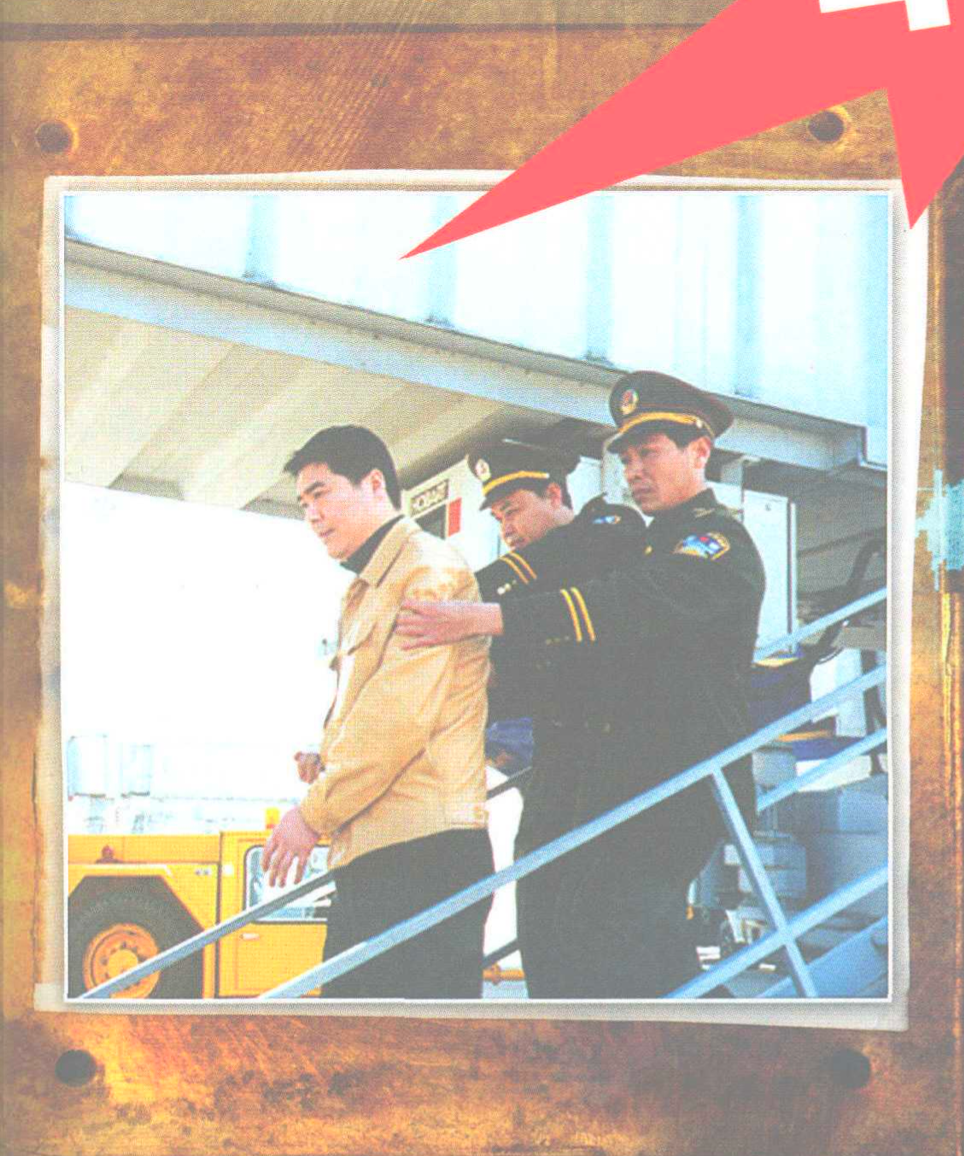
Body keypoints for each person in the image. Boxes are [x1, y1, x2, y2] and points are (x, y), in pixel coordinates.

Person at [397, 372, 765, 999]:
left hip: (675, 779)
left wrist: (486, 616)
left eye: (649, 453)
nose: (634, 470)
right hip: (610, 776)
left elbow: (630, 605)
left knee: (624, 947)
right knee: (553, 933)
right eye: (626, 458)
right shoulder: (643, 544)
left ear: (699, 451)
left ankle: (721, 1048)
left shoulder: (715, 542)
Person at [262, 425, 493, 999]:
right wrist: (328, 758)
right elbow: (375, 709)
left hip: (423, 855)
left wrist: (312, 815)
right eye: (303, 503)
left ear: (373, 484)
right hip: (382, 852)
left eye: (321, 493)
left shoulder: (427, 570)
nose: (312, 515)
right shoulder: (368, 587)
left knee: (403, 1040)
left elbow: (398, 720)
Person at [467, 439, 646, 995]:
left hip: (618, 762)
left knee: (607, 923)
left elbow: (565, 559)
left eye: (513, 510)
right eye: (498, 519)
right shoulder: (531, 588)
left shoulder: (610, 529)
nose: (507, 529)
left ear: (554, 494)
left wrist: (467, 596)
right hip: (557, 763)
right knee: (540, 900)